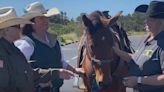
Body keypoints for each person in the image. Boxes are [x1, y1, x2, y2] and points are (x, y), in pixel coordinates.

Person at [0, 7, 74, 92]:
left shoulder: (12, 49)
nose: (20, 28)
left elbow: (28, 72)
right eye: (17, 25)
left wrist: (56, 73)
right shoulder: (3, 53)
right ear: (6, 30)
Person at [14, 2, 84, 92]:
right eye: (41, 18)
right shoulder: (26, 44)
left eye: (46, 17)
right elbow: (19, 71)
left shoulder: (53, 40)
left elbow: (61, 62)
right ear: (32, 22)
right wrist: (38, 82)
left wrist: (75, 70)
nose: (45, 20)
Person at [113, 1, 164, 92]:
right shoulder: (148, 39)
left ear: (161, 22)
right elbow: (135, 58)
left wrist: (138, 80)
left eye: (151, 20)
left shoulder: (162, 44)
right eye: (146, 18)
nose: (146, 22)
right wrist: (117, 51)